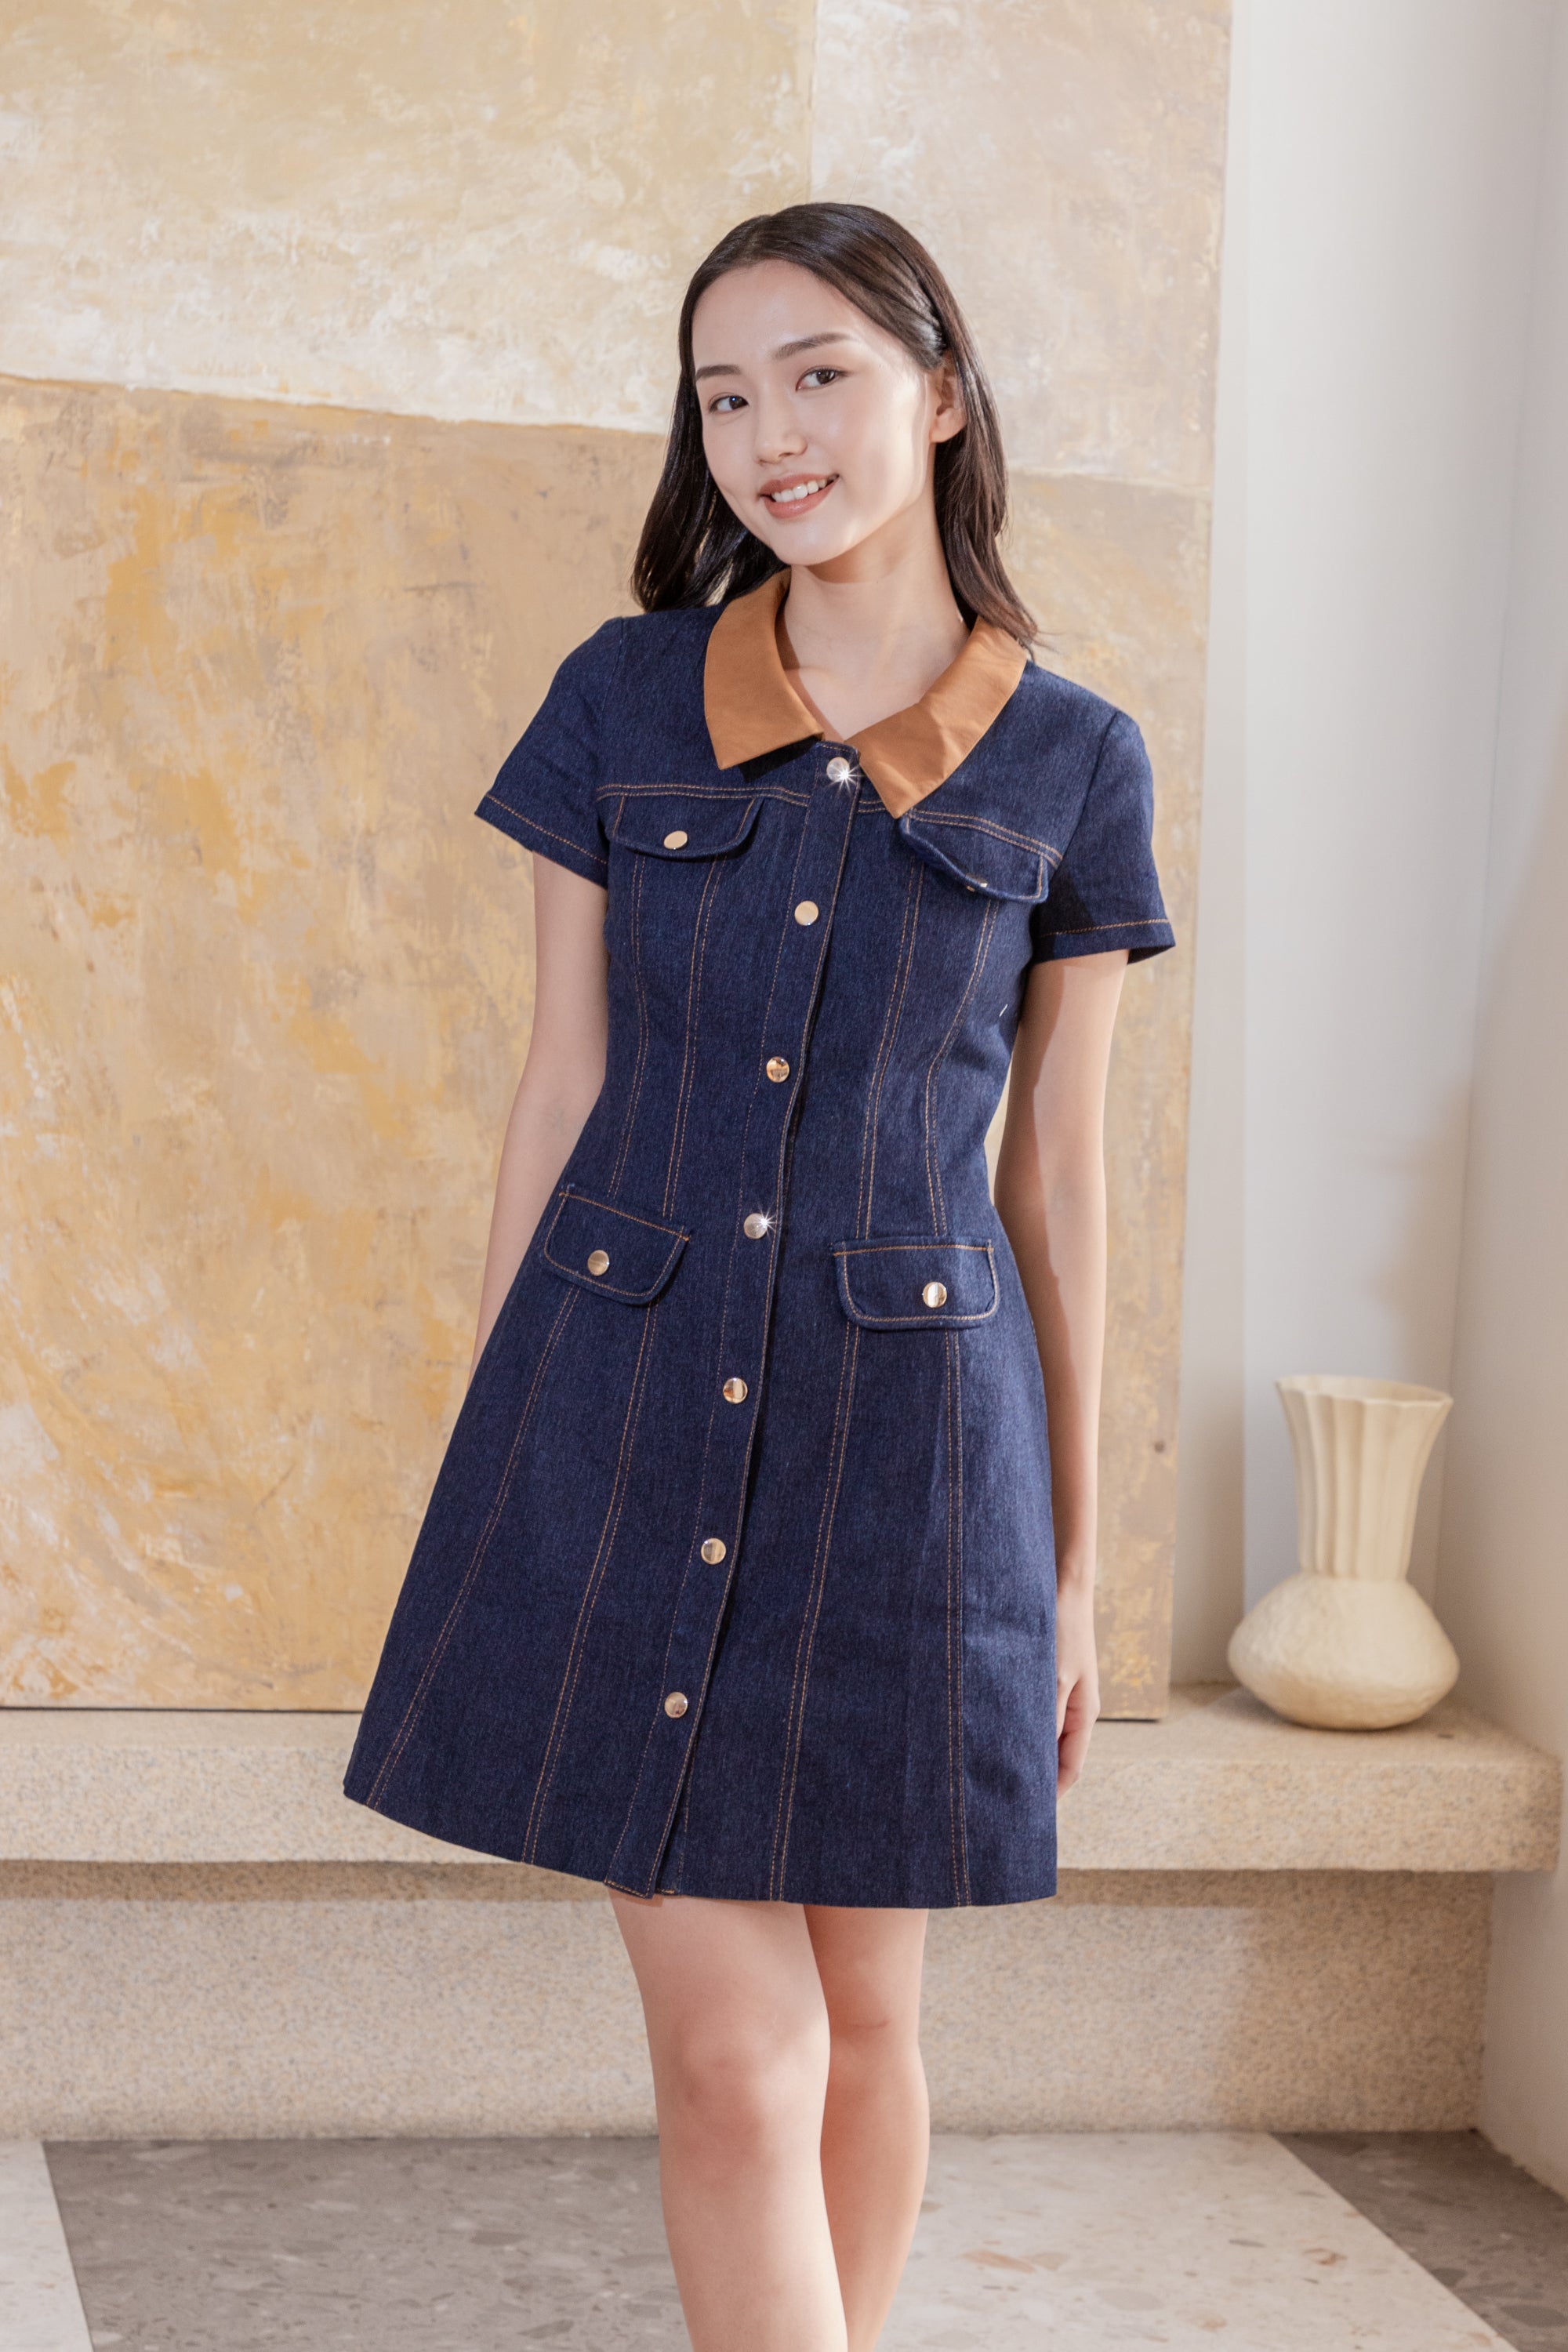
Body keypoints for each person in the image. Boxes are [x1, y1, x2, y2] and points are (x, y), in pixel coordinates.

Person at [344, 200, 1174, 2351]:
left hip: (914, 1461)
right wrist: (509, 1449)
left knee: (871, 2021)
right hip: (621, 1416)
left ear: (941, 393)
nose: (770, 435)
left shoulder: (1075, 757)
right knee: (739, 2051)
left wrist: (1077, 1568)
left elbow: (1055, 1184)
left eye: (819, 376)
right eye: (724, 395)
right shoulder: (624, 697)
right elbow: (561, 1082)